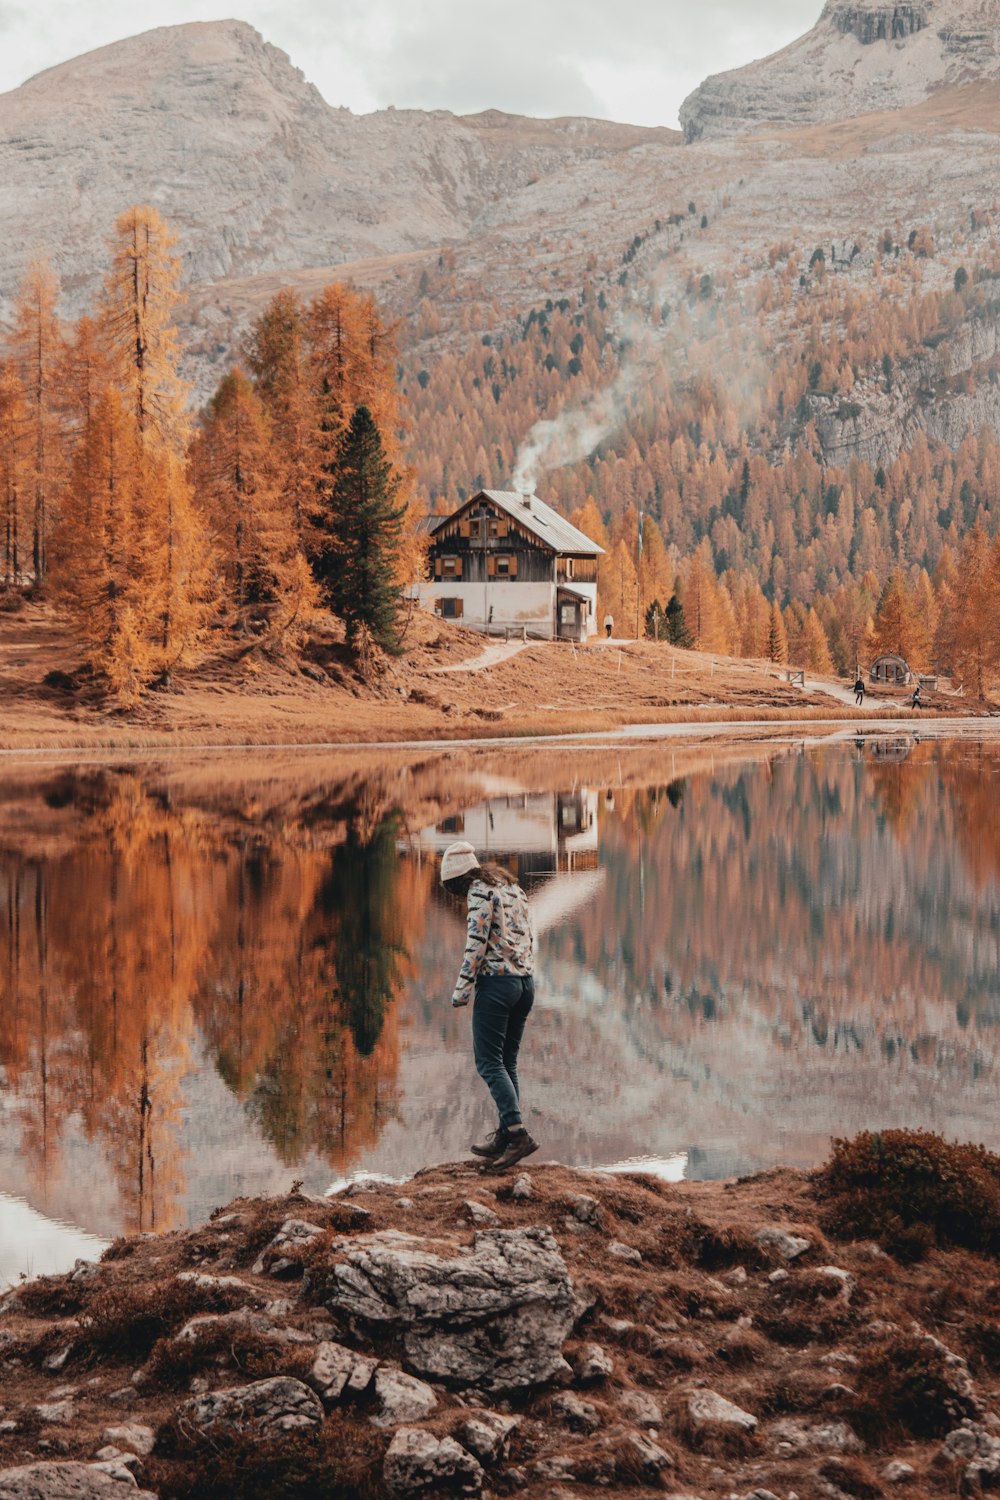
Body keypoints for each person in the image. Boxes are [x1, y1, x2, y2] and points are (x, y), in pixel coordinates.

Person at [441, 840, 537, 1170]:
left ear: (458, 880)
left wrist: (461, 990)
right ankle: (506, 1135)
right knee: (506, 1062)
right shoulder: (511, 887)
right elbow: (531, 934)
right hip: (525, 983)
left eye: (451, 888)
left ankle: (518, 1134)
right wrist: (526, 972)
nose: (455, 896)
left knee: (487, 1062)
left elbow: (477, 941)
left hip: (497, 984)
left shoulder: (479, 892)